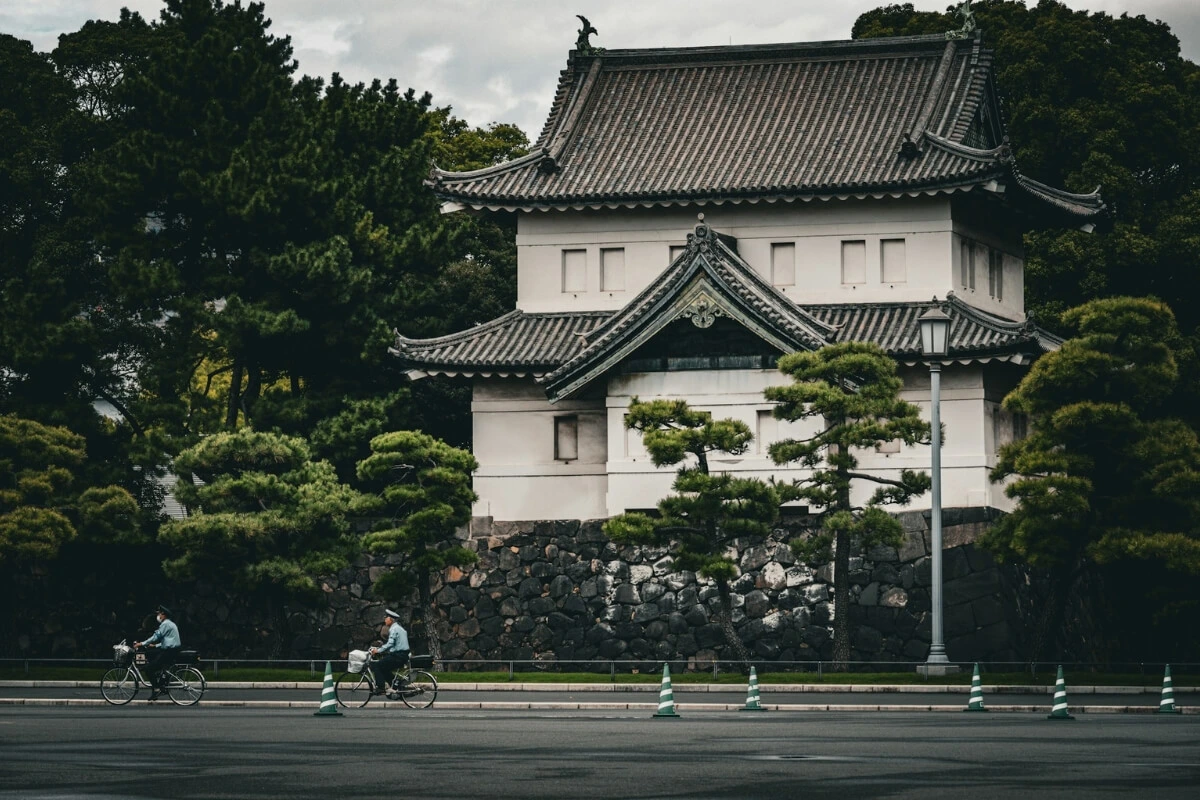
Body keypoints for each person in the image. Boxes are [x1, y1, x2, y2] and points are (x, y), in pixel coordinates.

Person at [134, 605, 181, 700]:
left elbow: (156, 637)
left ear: (163, 615)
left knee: (149, 669)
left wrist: (141, 644)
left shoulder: (165, 624)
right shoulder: (171, 624)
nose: (158, 616)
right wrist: (154, 646)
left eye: (159, 614)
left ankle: (156, 689)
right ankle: (161, 682)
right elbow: (168, 640)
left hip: (168, 651)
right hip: (172, 650)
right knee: (153, 656)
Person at [370, 609, 410, 694]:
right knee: (384, 668)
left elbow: (390, 643)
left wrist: (378, 650)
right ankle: (395, 685)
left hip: (398, 656)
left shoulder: (394, 629)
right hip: (403, 655)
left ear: (391, 619)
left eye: (386, 618)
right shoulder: (400, 628)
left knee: (378, 665)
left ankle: (380, 688)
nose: (385, 619)